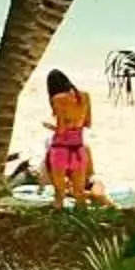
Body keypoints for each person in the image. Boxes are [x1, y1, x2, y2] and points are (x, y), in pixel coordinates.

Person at [44, 69, 96, 208]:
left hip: (60, 150)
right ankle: (84, 223)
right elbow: (88, 123)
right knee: (79, 193)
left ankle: (58, 224)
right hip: (78, 149)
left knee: (59, 194)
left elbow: (61, 130)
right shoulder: (85, 96)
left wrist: (50, 126)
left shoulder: (57, 99)